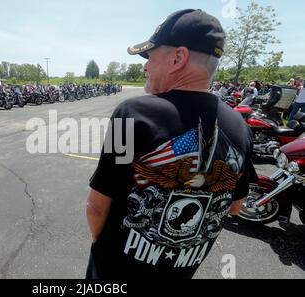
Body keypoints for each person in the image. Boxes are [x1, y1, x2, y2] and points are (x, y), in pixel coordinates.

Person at [86, 9, 257, 279]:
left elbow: (96, 206)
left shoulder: (132, 113)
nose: (144, 66)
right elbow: (235, 206)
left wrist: (100, 248)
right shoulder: (239, 125)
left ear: (178, 58)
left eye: (149, 56)